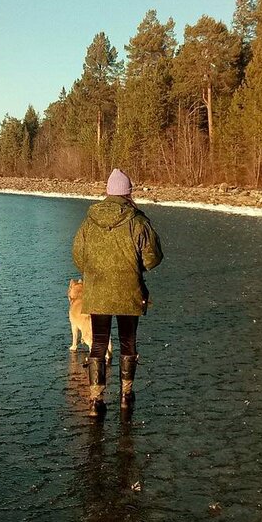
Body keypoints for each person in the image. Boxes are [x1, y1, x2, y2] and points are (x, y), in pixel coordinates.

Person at [72, 168, 163, 416]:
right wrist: (136, 266)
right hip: (129, 291)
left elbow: (78, 256)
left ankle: (95, 401)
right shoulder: (138, 221)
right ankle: (125, 396)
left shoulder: (89, 221)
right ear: (128, 192)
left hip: (98, 292)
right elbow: (154, 258)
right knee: (127, 342)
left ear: (108, 192)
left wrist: (93, 271)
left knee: (99, 344)